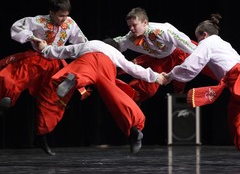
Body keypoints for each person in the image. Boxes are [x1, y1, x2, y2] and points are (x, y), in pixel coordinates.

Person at [162, 13, 240, 166]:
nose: (197, 42)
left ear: (204, 35)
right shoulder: (224, 43)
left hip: (239, 76)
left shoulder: (207, 43)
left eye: (197, 38)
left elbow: (192, 65)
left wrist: (171, 75)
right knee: (238, 118)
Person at [37, 39, 166, 153]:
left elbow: (62, 51)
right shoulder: (115, 53)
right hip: (106, 65)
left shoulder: (89, 44)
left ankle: (75, 78)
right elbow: (132, 68)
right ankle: (135, 128)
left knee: (81, 73)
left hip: (87, 59)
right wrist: (155, 77)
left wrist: (45, 49)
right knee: (116, 97)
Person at [0, 0, 88, 155]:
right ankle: (4, 101)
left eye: (66, 15)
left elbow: (81, 41)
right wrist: (33, 38)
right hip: (36, 60)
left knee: (52, 100)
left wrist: (87, 52)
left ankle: (42, 136)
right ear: (51, 12)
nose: (64, 19)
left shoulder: (70, 23)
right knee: (11, 79)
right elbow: (16, 27)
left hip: (55, 64)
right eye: (61, 15)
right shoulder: (39, 21)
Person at [103, 7, 198, 105]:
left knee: (182, 80)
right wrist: (98, 47)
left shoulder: (161, 31)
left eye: (134, 25)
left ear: (145, 22)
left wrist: (199, 54)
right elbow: (117, 44)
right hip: (158, 59)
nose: (131, 29)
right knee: (147, 88)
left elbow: (184, 42)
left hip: (178, 54)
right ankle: (128, 99)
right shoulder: (131, 37)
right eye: (129, 26)